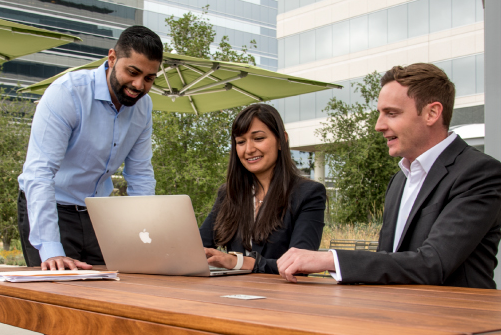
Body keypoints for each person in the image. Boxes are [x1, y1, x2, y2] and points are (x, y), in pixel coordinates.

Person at [277, 63, 501, 289]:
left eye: (392, 113)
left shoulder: (479, 173)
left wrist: (330, 259)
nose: (379, 125)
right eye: (380, 114)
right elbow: (388, 261)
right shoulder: (399, 180)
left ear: (432, 113)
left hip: (458, 322)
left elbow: (433, 263)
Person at [17, 26, 163, 271]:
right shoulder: (67, 93)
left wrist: (144, 237)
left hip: (98, 214)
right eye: (133, 72)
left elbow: (140, 176)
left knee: (107, 293)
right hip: (51, 208)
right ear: (112, 58)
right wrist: (51, 249)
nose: (139, 85)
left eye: (149, 78)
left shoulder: (143, 107)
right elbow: (39, 174)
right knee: (57, 297)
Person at [199, 104, 326, 274]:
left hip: (282, 295)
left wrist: (242, 263)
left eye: (258, 138)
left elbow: (299, 265)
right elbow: (199, 247)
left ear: (282, 140)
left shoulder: (308, 194)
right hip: (231, 294)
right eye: (241, 142)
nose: (249, 150)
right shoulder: (229, 194)